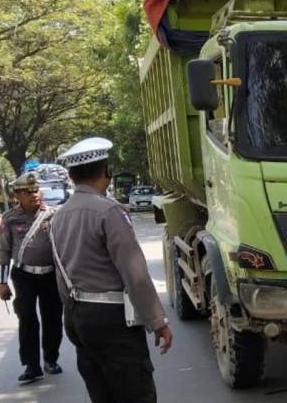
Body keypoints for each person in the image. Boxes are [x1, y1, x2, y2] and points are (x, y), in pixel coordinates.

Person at [51, 137, 172, 403]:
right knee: (134, 391)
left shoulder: (58, 216)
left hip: (77, 317)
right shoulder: (109, 211)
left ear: (71, 176)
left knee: (100, 392)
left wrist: (73, 312)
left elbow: (60, 274)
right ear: (107, 171)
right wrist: (157, 321)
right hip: (112, 320)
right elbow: (135, 275)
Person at [0, 172, 63, 384]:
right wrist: (2, 282)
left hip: (50, 275)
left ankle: (51, 359)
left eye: (36, 190)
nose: (34, 194)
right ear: (17, 195)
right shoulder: (10, 218)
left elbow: (64, 248)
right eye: (28, 191)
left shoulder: (53, 215)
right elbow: (4, 251)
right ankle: (31, 365)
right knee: (27, 319)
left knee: (52, 318)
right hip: (23, 275)